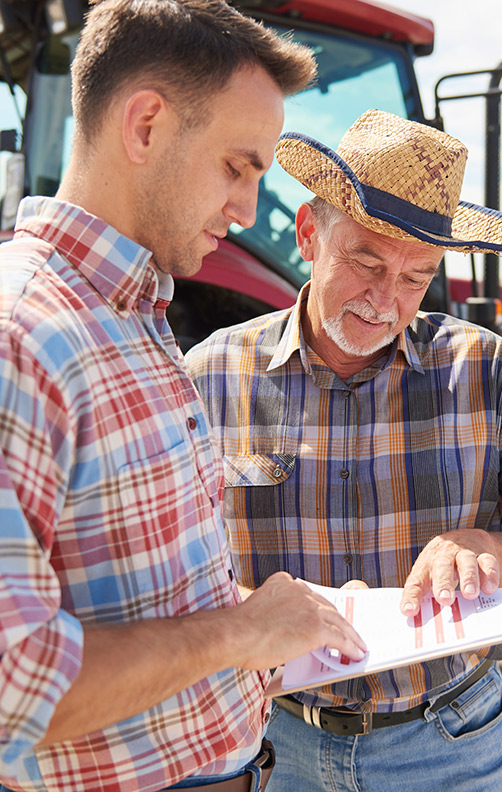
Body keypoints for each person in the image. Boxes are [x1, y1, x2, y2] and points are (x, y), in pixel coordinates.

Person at [0, 3, 367, 792]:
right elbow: (11, 689)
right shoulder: (22, 334)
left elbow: (124, 580)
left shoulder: (134, 314)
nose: (243, 211)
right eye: (238, 167)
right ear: (146, 126)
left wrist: (264, 618)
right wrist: (239, 630)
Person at [185, 109, 502, 792]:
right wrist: (247, 613)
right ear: (308, 234)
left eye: (417, 277)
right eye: (366, 261)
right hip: (270, 738)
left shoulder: (483, 367)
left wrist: (490, 549)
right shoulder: (210, 375)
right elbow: (163, 569)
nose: (386, 301)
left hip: (452, 739)